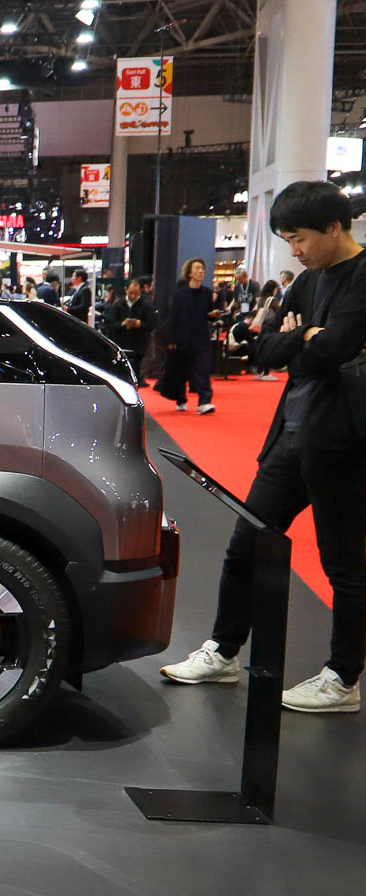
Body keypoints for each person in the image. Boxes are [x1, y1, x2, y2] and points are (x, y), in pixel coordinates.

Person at [162, 180, 366, 712]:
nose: (293, 251)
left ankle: (342, 678)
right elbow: (262, 348)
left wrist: (303, 340)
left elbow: (335, 348)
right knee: (246, 545)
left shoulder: (363, 275)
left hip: (342, 442)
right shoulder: (307, 281)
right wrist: (304, 337)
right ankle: (224, 651)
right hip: (288, 436)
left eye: (299, 238)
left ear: (334, 227)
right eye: (287, 240)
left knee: (344, 563)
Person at [156, 257, 221, 414]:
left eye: (202, 268)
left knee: (202, 370)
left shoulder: (208, 294)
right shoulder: (179, 294)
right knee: (180, 371)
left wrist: (213, 315)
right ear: (189, 272)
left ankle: (205, 401)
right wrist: (171, 339)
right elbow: (174, 318)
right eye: (197, 268)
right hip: (182, 338)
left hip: (201, 338)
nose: (201, 271)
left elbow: (209, 314)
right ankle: (181, 399)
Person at [103, 276, 155, 375]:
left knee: (137, 372)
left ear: (140, 291)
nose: (133, 296)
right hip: (121, 343)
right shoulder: (117, 305)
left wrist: (140, 324)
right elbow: (110, 323)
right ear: (126, 290)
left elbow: (152, 324)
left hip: (139, 345)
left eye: (136, 293)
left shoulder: (146, 305)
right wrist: (122, 324)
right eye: (131, 293)